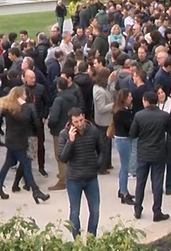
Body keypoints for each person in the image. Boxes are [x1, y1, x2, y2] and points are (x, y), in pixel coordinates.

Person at [0, 86, 50, 204]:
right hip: (23, 141)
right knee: (27, 165)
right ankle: (35, 191)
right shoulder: (28, 108)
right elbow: (37, 124)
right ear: (20, 95)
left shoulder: (8, 107)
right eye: (24, 93)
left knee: (8, 164)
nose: (26, 95)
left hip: (11, 140)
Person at [58, 107, 102, 240]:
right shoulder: (64, 134)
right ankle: (77, 240)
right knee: (75, 212)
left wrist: (97, 165)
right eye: (76, 122)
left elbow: (102, 150)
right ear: (71, 122)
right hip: (74, 179)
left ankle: (91, 239)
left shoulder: (93, 131)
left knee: (95, 211)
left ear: (84, 117)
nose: (80, 124)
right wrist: (70, 141)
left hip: (91, 178)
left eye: (81, 120)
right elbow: (63, 158)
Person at [130, 90, 170, 222]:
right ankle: (157, 211)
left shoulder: (139, 116)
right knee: (157, 182)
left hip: (143, 153)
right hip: (158, 152)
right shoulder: (164, 116)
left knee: (140, 182)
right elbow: (169, 130)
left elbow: (133, 134)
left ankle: (138, 209)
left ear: (146, 101)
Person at [47, 76, 81, 191]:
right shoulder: (73, 97)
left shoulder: (58, 99)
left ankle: (63, 180)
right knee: (70, 152)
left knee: (60, 155)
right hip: (70, 127)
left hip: (59, 130)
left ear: (58, 86)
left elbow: (53, 117)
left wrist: (50, 125)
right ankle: (68, 174)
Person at [111, 89, 135, 205]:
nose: (131, 99)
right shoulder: (122, 113)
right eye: (129, 97)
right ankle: (124, 193)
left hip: (120, 140)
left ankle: (122, 189)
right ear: (124, 99)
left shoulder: (118, 111)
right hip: (124, 140)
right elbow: (129, 126)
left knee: (123, 167)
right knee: (125, 168)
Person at [91, 68, 114, 175]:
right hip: (103, 121)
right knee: (104, 145)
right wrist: (113, 105)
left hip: (104, 120)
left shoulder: (98, 87)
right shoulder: (99, 91)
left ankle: (107, 164)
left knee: (107, 143)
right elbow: (101, 108)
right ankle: (102, 167)